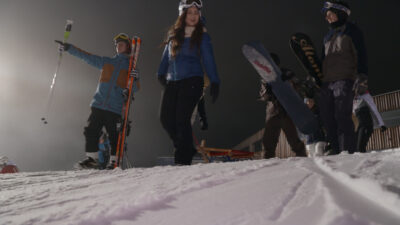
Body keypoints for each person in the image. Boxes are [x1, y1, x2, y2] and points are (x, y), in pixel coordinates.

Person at [55, 33, 138, 169]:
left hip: (115, 107)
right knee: (90, 130)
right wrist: (69, 48)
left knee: (114, 135)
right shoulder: (107, 62)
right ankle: (92, 159)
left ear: (128, 47)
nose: (118, 46)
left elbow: (135, 88)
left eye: (122, 44)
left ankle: (114, 161)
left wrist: (135, 78)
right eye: (117, 45)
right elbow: (87, 57)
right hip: (98, 104)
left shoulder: (130, 68)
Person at [157, 0, 220, 165]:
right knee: (165, 118)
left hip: (193, 79)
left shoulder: (202, 35)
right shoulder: (174, 34)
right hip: (173, 80)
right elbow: (166, 56)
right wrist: (161, 72)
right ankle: (186, 147)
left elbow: (208, 59)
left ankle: (182, 160)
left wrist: (215, 80)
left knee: (181, 119)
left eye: (196, 13)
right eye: (190, 12)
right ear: (182, 14)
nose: (193, 16)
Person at [319, 0, 367, 154]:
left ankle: (347, 150)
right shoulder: (327, 36)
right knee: (327, 117)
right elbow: (322, 60)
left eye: (330, 14)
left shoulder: (352, 31)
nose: (327, 18)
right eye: (326, 15)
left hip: (345, 79)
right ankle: (334, 147)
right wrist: (315, 77)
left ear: (340, 13)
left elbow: (361, 53)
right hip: (327, 82)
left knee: (342, 115)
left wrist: (362, 76)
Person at [259, 53, 307, 159]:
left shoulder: (286, 72)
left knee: (294, 141)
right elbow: (263, 96)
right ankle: (266, 165)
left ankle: (303, 159)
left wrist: (289, 82)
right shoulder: (265, 77)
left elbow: (298, 85)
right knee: (268, 143)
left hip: (287, 110)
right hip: (273, 112)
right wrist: (267, 90)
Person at [353, 75, 387, 153]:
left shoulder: (366, 95)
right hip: (360, 117)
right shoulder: (354, 94)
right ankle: (359, 149)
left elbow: (374, 110)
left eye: (366, 84)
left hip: (363, 118)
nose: (365, 85)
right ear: (358, 84)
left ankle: (360, 148)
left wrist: (381, 124)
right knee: (363, 127)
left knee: (366, 127)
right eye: (364, 83)